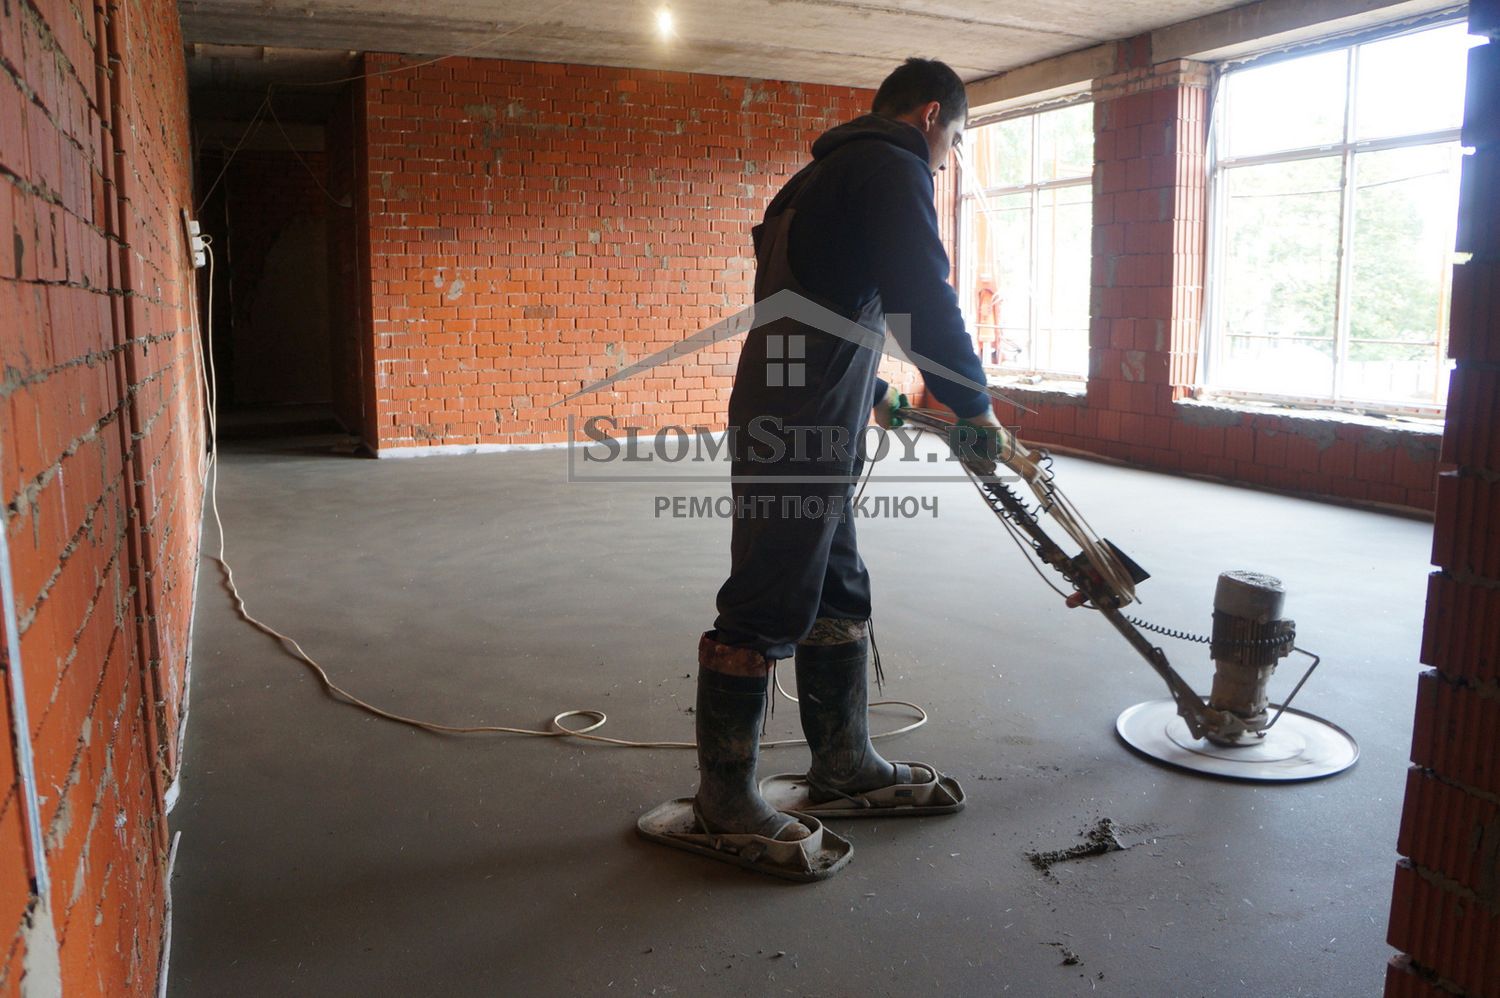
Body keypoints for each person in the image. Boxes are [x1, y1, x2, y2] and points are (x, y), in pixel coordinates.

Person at [638, 58, 1004, 881]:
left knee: (838, 588)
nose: (948, 159)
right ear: (931, 115)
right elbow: (921, 297)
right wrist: (973, 406)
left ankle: (844, 763)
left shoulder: (812, 181)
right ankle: (723, 798)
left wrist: (875, 394)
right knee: (768, 598)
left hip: (811, 412)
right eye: (953, 140)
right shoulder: (893, 167)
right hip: (800, 427)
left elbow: (814, 307)